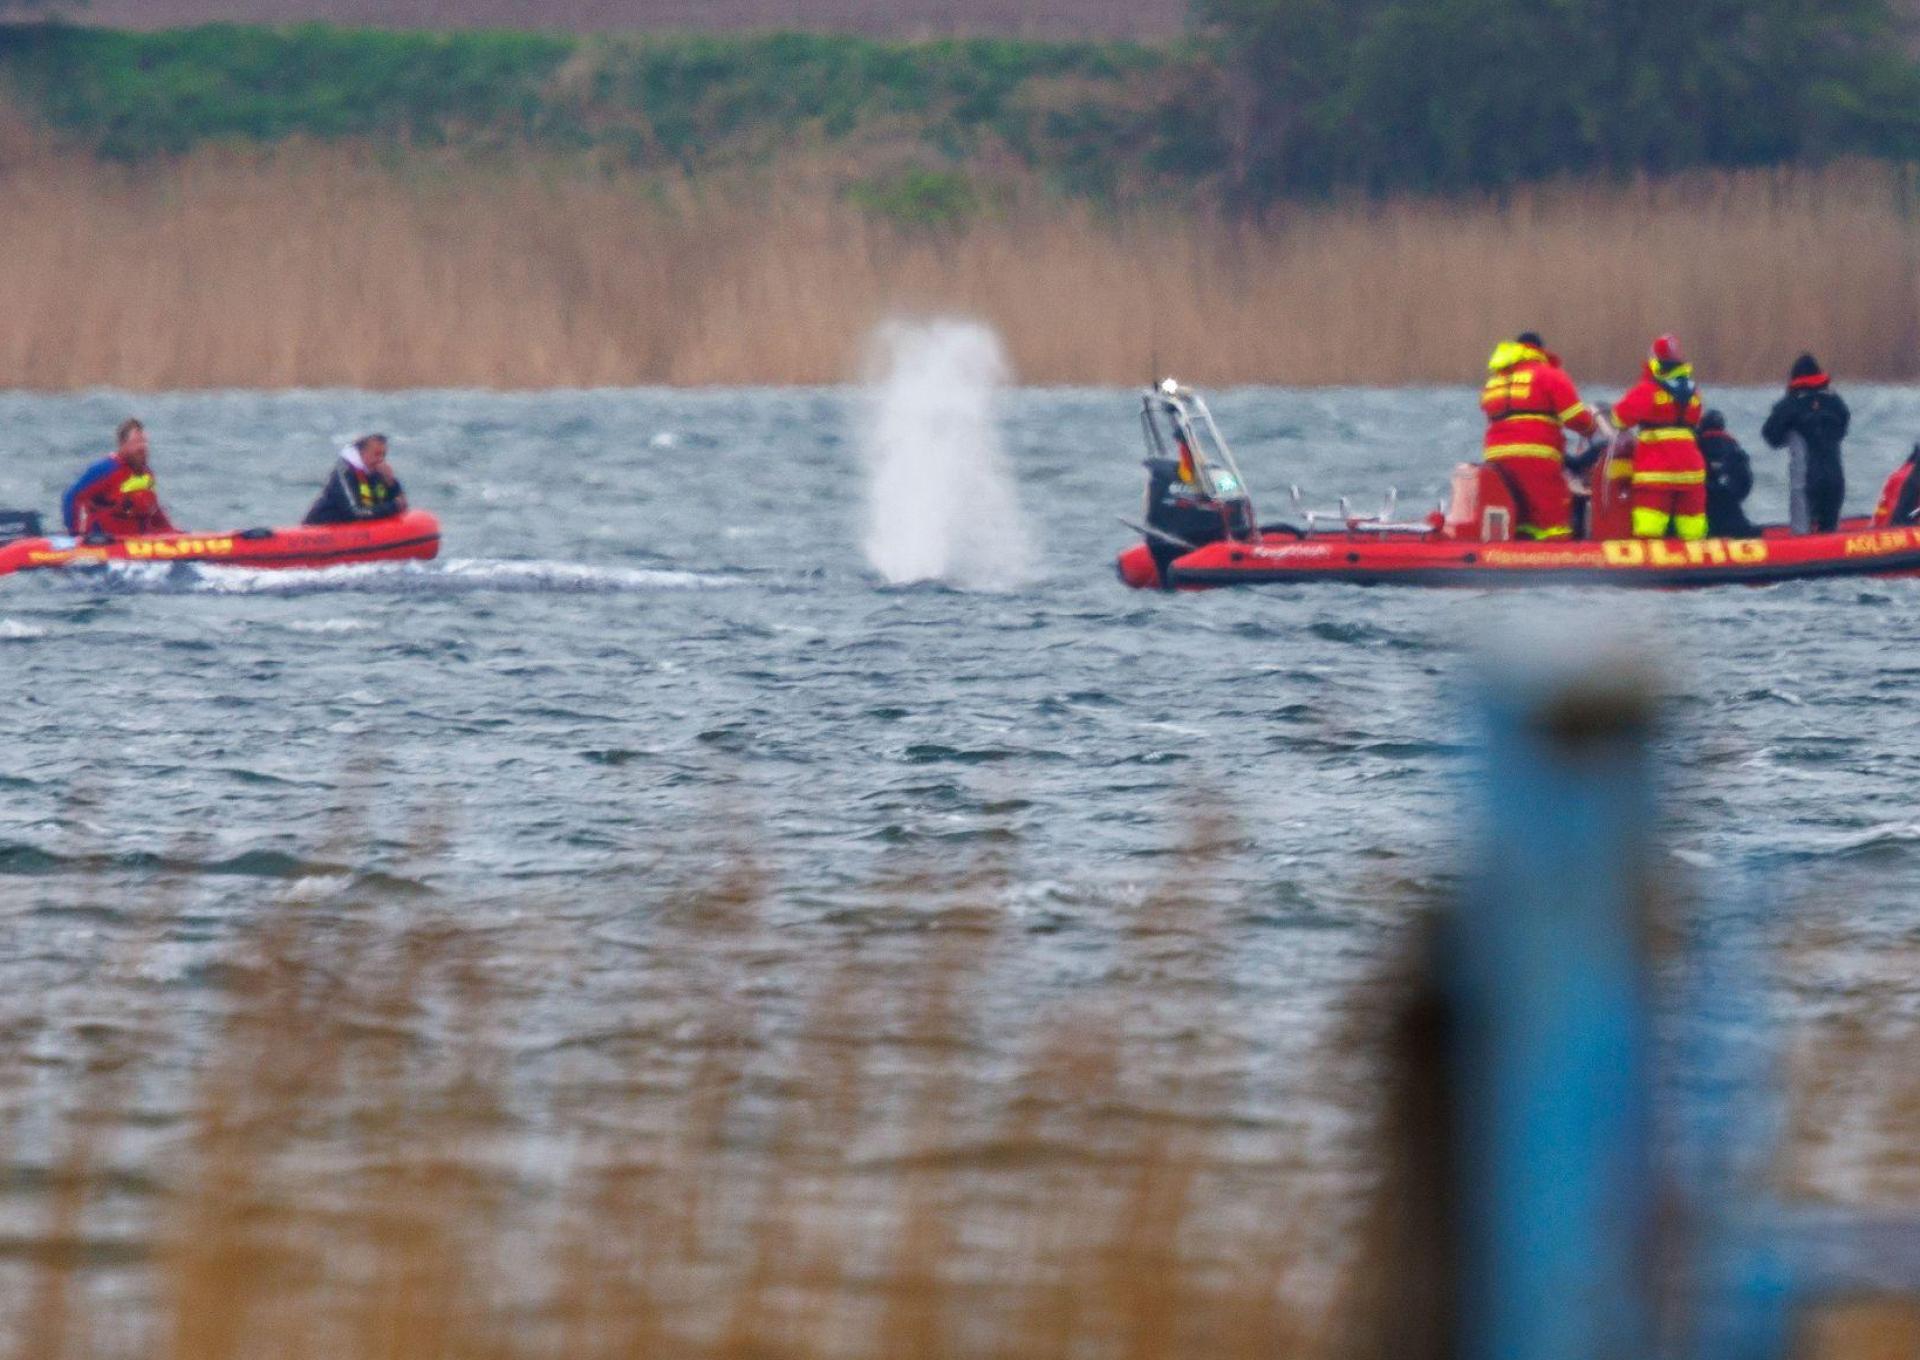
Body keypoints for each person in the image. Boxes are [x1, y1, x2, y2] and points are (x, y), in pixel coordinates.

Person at [1479, 332, 1600, 540]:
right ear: (1540, 350)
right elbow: (1575, 417)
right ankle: (1557, 551)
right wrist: (1591, 428)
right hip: (1535, 455)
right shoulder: (1548, 375)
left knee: (1523, 514)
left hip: (1497, 458)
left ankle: (1522, 548)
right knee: (1552, 512)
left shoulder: (1495, 381)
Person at [1612, 334, 1706, 541]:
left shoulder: (1648, 389)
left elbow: (1620, 417)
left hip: (1656, 471)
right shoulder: (1694, 392)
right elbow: (1697, 418)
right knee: (1692, 528)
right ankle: (1692, 556)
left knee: (1649, 527)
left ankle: (1650, 559)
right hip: (1690, 470)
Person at [1762, 354, 1850, 534]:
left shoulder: (1790, 404)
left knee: (1801, 533)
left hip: (1806, 484)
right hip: (1835, 480)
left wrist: (1788, 434)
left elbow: (1770, 435)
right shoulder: (1836, 402)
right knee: (1829, 532)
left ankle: (1802, 545)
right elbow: (1843, 426)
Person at [61, 418, 175, 539]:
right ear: (122, 444)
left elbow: (154, 512)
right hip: (105, 542)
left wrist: (173, 534)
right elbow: (71, 496)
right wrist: (75, 536)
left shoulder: (147, 473)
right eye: (136, 442)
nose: (142, 447)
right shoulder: (105, 469)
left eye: (144, 442)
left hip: (139, 541)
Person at [305, 434, 407, 526]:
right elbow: (355, 513)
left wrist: (392, 483)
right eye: (376, 454)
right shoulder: (345, 472)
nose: (381, 460)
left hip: (356, 529)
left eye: (383, 455)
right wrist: (394, 506)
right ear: (361, 452)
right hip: (321, 528)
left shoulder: (377, 471)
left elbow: (400, 504)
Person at [1697, 410, 1757, 538]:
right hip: (1732, 510)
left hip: (1703, 512)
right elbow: (1745, 482)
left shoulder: (1696, 446)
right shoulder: (1735, 449)